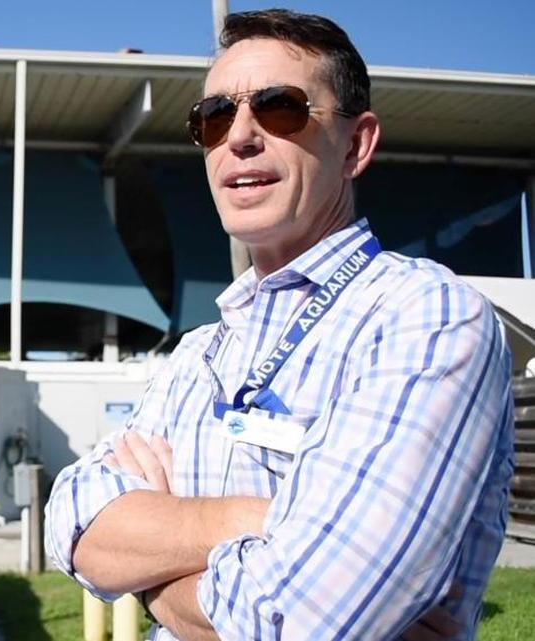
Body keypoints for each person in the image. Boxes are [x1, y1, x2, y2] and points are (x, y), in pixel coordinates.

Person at [44, 9, 515, 641]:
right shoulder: (198, 352)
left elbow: (304, 619)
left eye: (279, 107)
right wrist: (260, 519)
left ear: (356, 144)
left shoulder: (425, 318)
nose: (239, 136)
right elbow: (71, 523)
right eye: (213, 117)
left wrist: (148, 565)